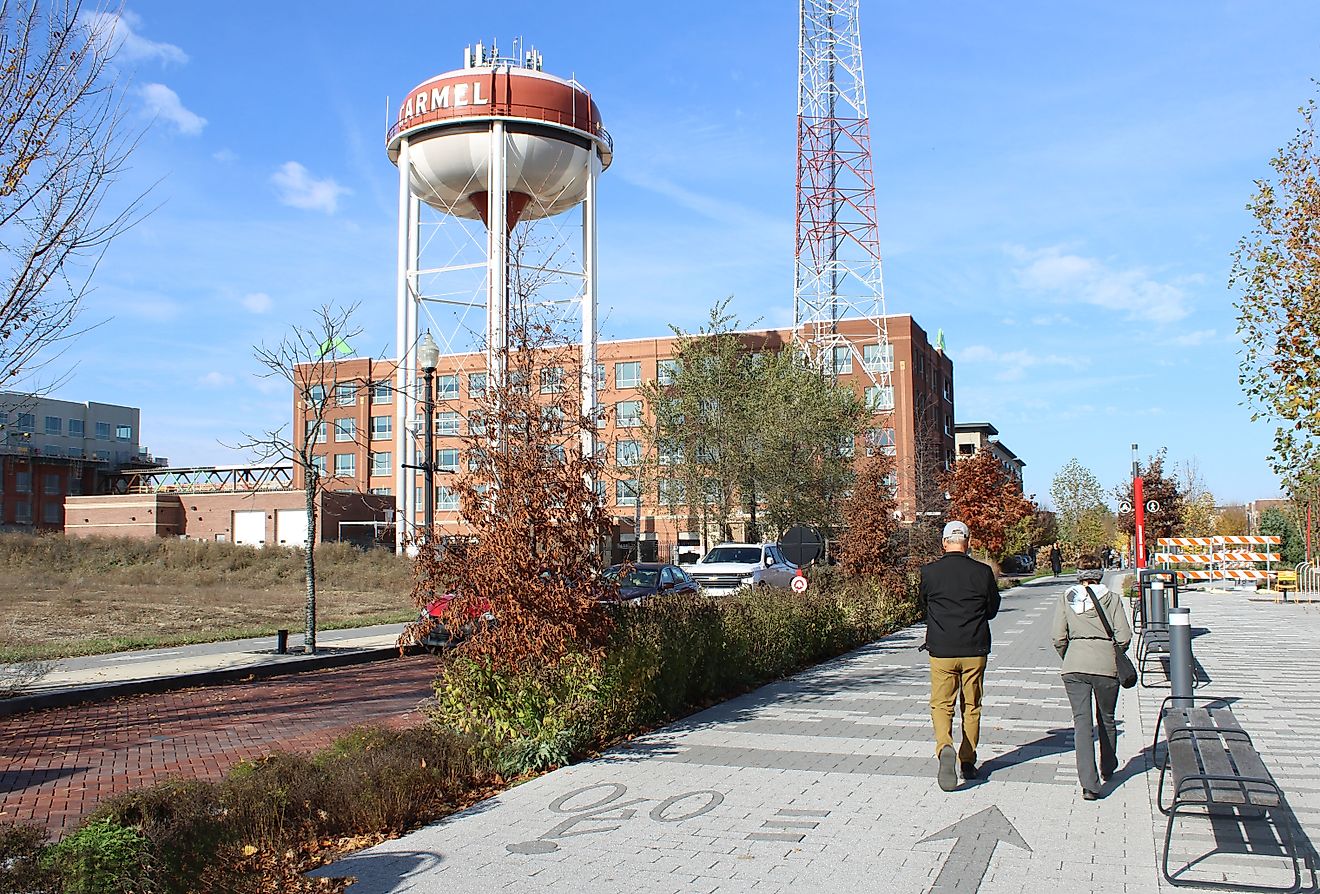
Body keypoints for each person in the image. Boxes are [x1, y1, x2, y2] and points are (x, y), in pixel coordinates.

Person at [918, 520, 1001, 791]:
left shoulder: (930, 572)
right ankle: (967, 760)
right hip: (974, 649)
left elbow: (923, 605)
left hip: (941, 649)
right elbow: (992, 609)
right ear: (968, 541)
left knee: (942, 704)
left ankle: (944, 747)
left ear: (944, 542)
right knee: (972, 705)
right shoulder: (983, 572)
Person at [1051, 568, 1132, 800]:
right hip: (1106, 665)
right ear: (1100, 576)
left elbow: (1057, 636)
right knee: (1106, 717)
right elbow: (1124, 636)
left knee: (1082, 723)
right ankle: (1108, 764)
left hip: (1074, 665)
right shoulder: (1112, 598)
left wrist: (1069, 655)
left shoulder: (1067, 598)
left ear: (1079, 576)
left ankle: (1089, 783)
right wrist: (1112, 651)